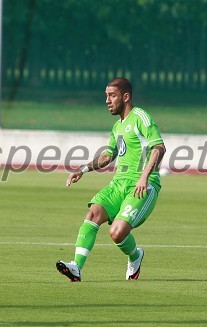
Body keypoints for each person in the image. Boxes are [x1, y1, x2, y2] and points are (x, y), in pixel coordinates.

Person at [56, 78, 165, 282]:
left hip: (142, 185)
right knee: (93, 213)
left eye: (112, 95)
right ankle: (76, 267)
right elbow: (108, 155)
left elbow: (159, 148)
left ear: (125, 97)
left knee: (117, 233)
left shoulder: (141, 117)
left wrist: (144, 177)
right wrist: (83, 169)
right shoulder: (117, 126)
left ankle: (136, 255)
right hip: (119, 183)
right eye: (106, 96)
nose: (107, 100)